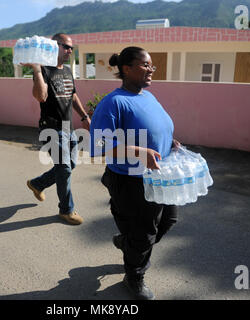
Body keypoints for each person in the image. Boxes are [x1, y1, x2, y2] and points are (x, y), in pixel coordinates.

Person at [89, 46, 180, 300]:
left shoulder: (148, 97)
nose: (151, 70)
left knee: (168, 220)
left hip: (158, 176)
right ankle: (134, 276)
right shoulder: (114, 103)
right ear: (126, 69)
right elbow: (97, 145)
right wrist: (139, 152)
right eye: (145, 65)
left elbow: (157, 129)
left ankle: (127, 242)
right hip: (130, 181)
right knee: (144, 233)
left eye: (152, 65)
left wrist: (170, 143)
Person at [24, 33, 90, 225]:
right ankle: (66, 210)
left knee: (70, 166)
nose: (70, 50)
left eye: (71, 47)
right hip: (51, 129)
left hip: (68, 128)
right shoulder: (44, 70)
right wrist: (36, 70)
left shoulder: (68, 71)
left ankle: (37, 183)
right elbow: (41, 97)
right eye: (66, 46)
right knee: (64, 168)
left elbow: (73, 95)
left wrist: (84, 116)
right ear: (54, 47)